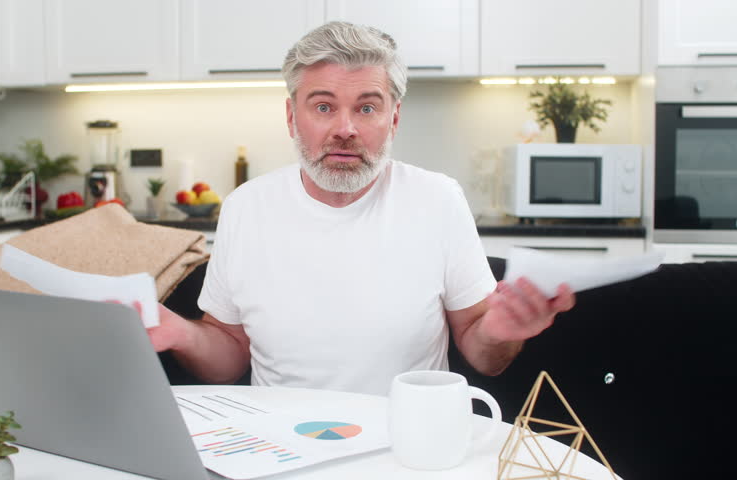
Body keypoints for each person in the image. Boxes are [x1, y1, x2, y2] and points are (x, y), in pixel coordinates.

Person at [148, 21, 575, 395]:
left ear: (394, 118)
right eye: (323, 107)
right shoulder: (246, 207)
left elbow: (485, 356)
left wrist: (502, 331)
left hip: (404, 444)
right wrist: (180, 332)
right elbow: (230, 355)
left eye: (367, 107)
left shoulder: (437, 200)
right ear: (292, 117)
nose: (345, 129)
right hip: (276, 446)